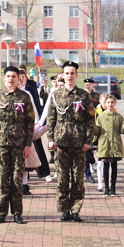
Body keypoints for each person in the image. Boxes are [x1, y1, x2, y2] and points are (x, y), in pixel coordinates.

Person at [45, 62, 96, 222]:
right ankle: (64, 209)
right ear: (63, 75)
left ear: (76, 75)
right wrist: (51, 139)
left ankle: (75, 210)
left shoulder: (83, 96)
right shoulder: (55, 95)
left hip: (79, 144)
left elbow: (90, 119)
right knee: (62, 178)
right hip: (60, 143)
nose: (69, 76)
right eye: (67, 73)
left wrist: (88, 141)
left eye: (72, 73)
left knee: (78, 178)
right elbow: (51, 119)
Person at [0, 66, 35, 224]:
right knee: (1, 179)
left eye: (14, 76)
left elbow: (30, 122)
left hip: (19, 145)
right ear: (4, 78)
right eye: (8, 76)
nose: (11, 79)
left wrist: (28, 145)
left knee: (16, 179)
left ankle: (17, 213)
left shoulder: (24, 97)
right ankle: (1, 212)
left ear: (19, 78)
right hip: (0, 145)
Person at [94, 95, 124, 197]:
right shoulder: (101, 116)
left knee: (114, 168)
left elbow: (122, 130)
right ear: (105, 104)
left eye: (112, 102)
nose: (110, 104)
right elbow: (97, 130)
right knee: (105, 167)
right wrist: (91, 127)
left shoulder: (118, 117)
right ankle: (106, 189)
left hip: (115, 145)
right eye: (108, 102)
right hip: (105, 145)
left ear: (115, 104)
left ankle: (113, 189)